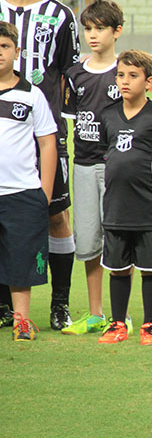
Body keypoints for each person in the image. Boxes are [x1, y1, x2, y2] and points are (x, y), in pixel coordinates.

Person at [1, 0, 80, 330]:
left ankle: (60, 303)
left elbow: (71, 76)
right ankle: (5, 308)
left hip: (44, 131)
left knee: (55, 216)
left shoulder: (60, 16)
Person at [96, 50, 152, 345]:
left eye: (133, 76)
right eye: (121, 75)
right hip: (116, 207)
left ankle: (150, 326)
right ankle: (118, 324)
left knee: (149, 267)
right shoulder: (107, 115)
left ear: (149, 81)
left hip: (148, 208)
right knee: (118, 269)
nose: (125, 81)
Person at [60, 0, 123, 335]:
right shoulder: (74, 74)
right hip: (83, 166)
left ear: (117, 31)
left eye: (100, 28)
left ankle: (120, 313)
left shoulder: (125, 71)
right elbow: (71, 123)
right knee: (88, 242)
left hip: (116, 167)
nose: (92, 35)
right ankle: (96, 313)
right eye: (88, 28)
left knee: (117, 238)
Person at [0, 21, 56, 341]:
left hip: (21, 191)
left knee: (21, 257)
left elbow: (47, 142)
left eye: (5, 46)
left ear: (17, 52)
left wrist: (44, 194)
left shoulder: (31, 95)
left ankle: (22, 320)